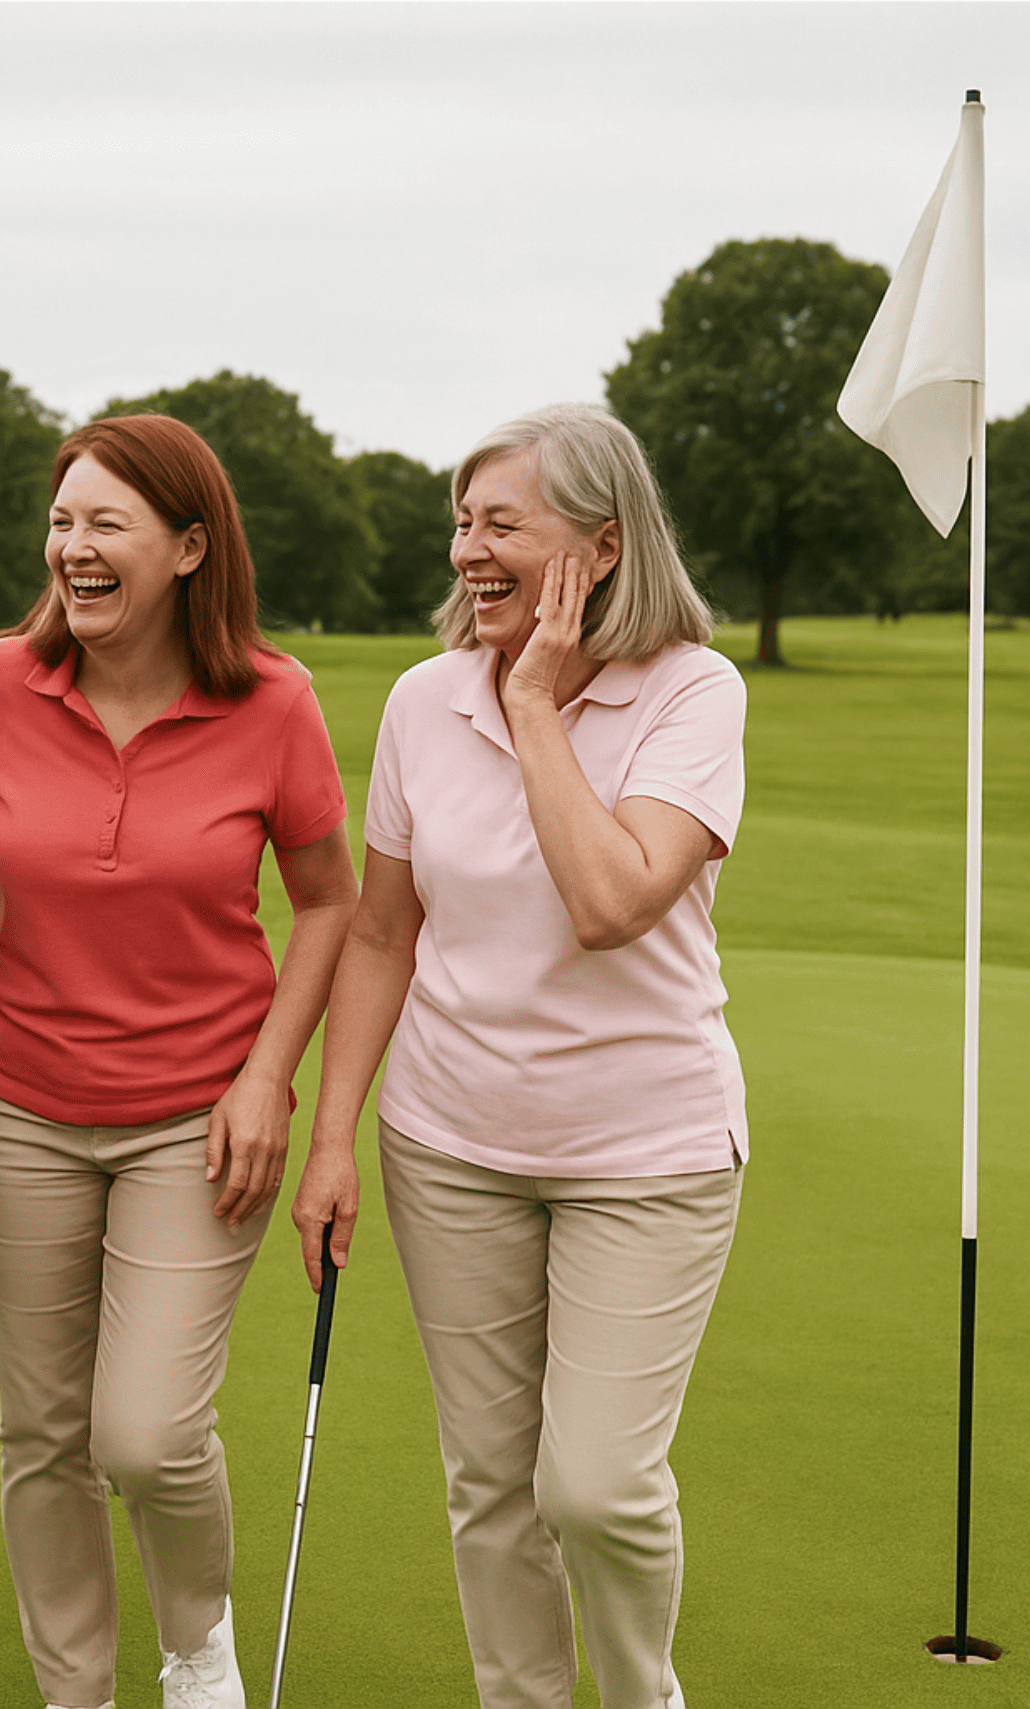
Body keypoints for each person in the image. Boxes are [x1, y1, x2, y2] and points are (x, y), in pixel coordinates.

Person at [290, 403, 747, 1709]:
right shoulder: (425, 700)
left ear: (599, 548)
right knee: (491, 1484)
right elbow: (381, 931)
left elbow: (612, 901)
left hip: (646, 1153)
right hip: (451, 1146)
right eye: (462, 523)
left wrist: (538, 699)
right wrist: (334, 1138)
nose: (466, 552)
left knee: (593, 1485)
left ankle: (643, 1695)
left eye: (502, 526)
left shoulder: (694, 690)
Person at [0, 415, 358, 1709]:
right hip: (13, 1108)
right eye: (62, 522)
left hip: (198, 1117)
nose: (74, 547)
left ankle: (194, 1649)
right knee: (42, 1431)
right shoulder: (0, 682)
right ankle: (77, 1691)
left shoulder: (274, 701)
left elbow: (333, 904)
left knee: (147, 1432)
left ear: (188, 546)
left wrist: (266, 1077)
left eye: (105, 523)